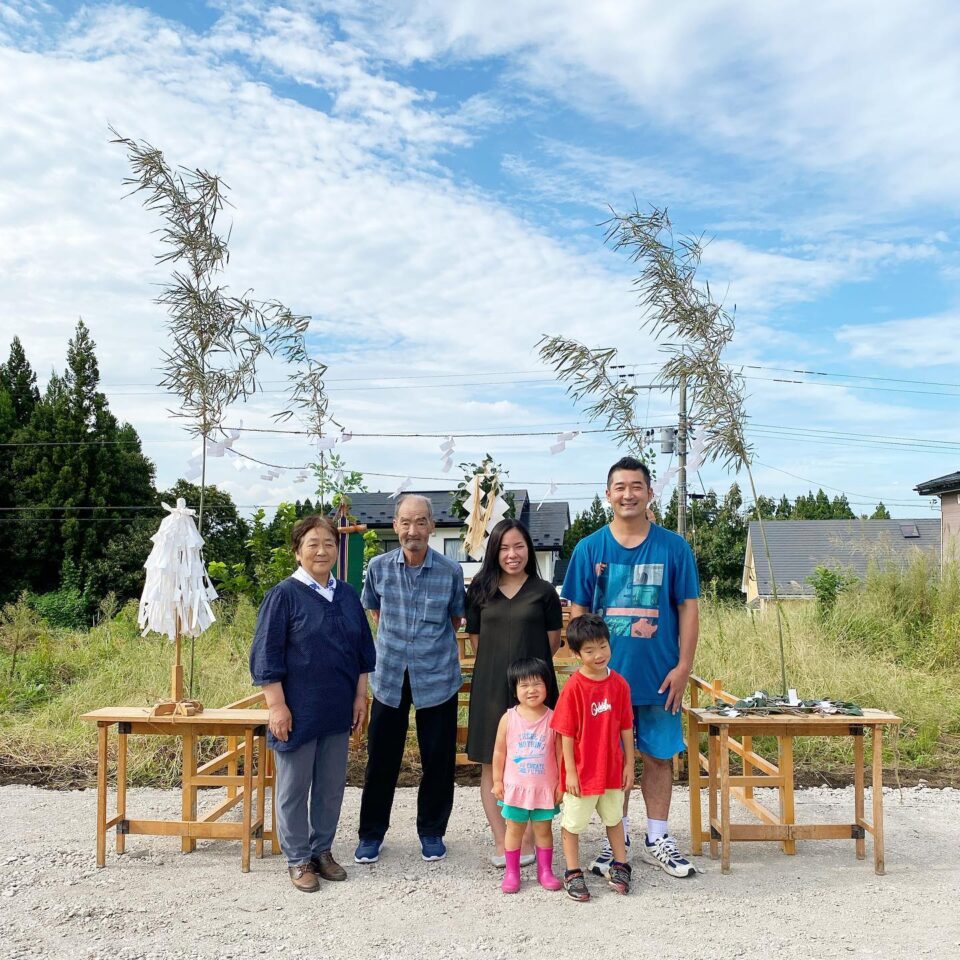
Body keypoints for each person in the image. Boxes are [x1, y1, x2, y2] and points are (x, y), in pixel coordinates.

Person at [562, 455, 700, 880]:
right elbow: (577, 614)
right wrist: (584, 672)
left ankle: (658, 837)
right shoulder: (589, 549)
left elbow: (689, 608)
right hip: (604, 683)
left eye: (636, 486)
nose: (628, 494)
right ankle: (614, 840)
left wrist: (684, 667)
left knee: (658, 757)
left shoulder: (673, 548)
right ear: (608, 495)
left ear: (649, 493)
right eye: (620, 487)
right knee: (608, 760)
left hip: (659, 677)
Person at [249, 515, 376, 894]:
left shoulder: (347, 595)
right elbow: (266, 655)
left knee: (330, 786)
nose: (322, 551)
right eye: (313, 544)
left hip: (337, 708)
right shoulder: (283, 596)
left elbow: (362, 652)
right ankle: (298, 858)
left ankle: (322, 850)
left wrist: (360, 697)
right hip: (297, 710)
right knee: (293, 788)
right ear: (297, 551)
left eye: (329, 543)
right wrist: (276, 706)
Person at [355, 493, 466, 864]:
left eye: (420, 522)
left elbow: (454, 620)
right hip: (389, 675)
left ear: (432, 526)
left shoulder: (450, 571)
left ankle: (432, 831)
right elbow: (374, 611)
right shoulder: (378, 567)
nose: (412, 530)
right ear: (395, 525)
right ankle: (371, 834)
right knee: (381, 758)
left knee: (438, 758)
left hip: (437, 675)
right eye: (405, 522)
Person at [465, 519, 562, 867]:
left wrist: (529, 679)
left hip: (535, 690)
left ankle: (533, 840)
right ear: (494, 551)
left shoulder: (544, 592)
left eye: (519, 546)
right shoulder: (480, 590)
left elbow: (552, 642)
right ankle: (503, 841)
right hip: (491, 687)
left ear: (529, 550)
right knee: (494, 764)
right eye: (504, 547)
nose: (512, 554)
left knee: (538, 762)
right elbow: (476, 641)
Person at [550, 614, 634, 901]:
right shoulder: (574, 687)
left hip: (611, 768)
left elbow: (626, 727)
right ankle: (573, 871)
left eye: (603, 646)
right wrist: (570, 773)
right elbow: (565, 733)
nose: (598, 655)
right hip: (582, 771)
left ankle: (620, 865)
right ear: (576, 653)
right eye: (589, 650)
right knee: (573, 823)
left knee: (614, 818)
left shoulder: (619, 684)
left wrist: (629, 765)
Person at [490, 657, 564, 894]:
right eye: (524, 685)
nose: (531, 690)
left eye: (537, 683)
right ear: (514, 690)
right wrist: (497, 781)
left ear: (547, 685)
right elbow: (499, 752)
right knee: (514, 830)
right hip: (516, 788)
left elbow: (560, 754)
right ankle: (512, 873)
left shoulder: (553, 718)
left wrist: (561, 783)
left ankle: (545, 871)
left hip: (544, 788)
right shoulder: (508, 718)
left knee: (543, 830)